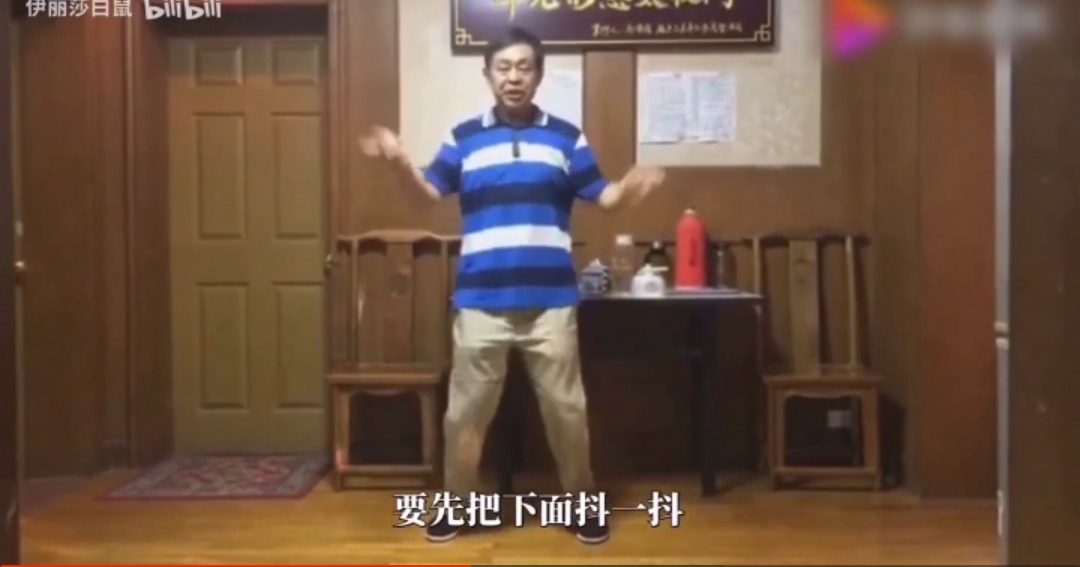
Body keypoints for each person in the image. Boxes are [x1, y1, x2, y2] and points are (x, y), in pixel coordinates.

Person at [359, 26, 665, 545]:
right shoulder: (463, 138)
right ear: (488, 75)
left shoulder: (566, 137)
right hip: (481, 302)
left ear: (539, 75)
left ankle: (582, 504)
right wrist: (398, 162)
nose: (514, 77)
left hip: (552, 304)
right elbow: (424, 197)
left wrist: (631, 188)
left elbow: (606, 197)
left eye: (524, 67)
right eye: (503, 67)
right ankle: (456, 505)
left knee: (567, 411)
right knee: (465, 415)